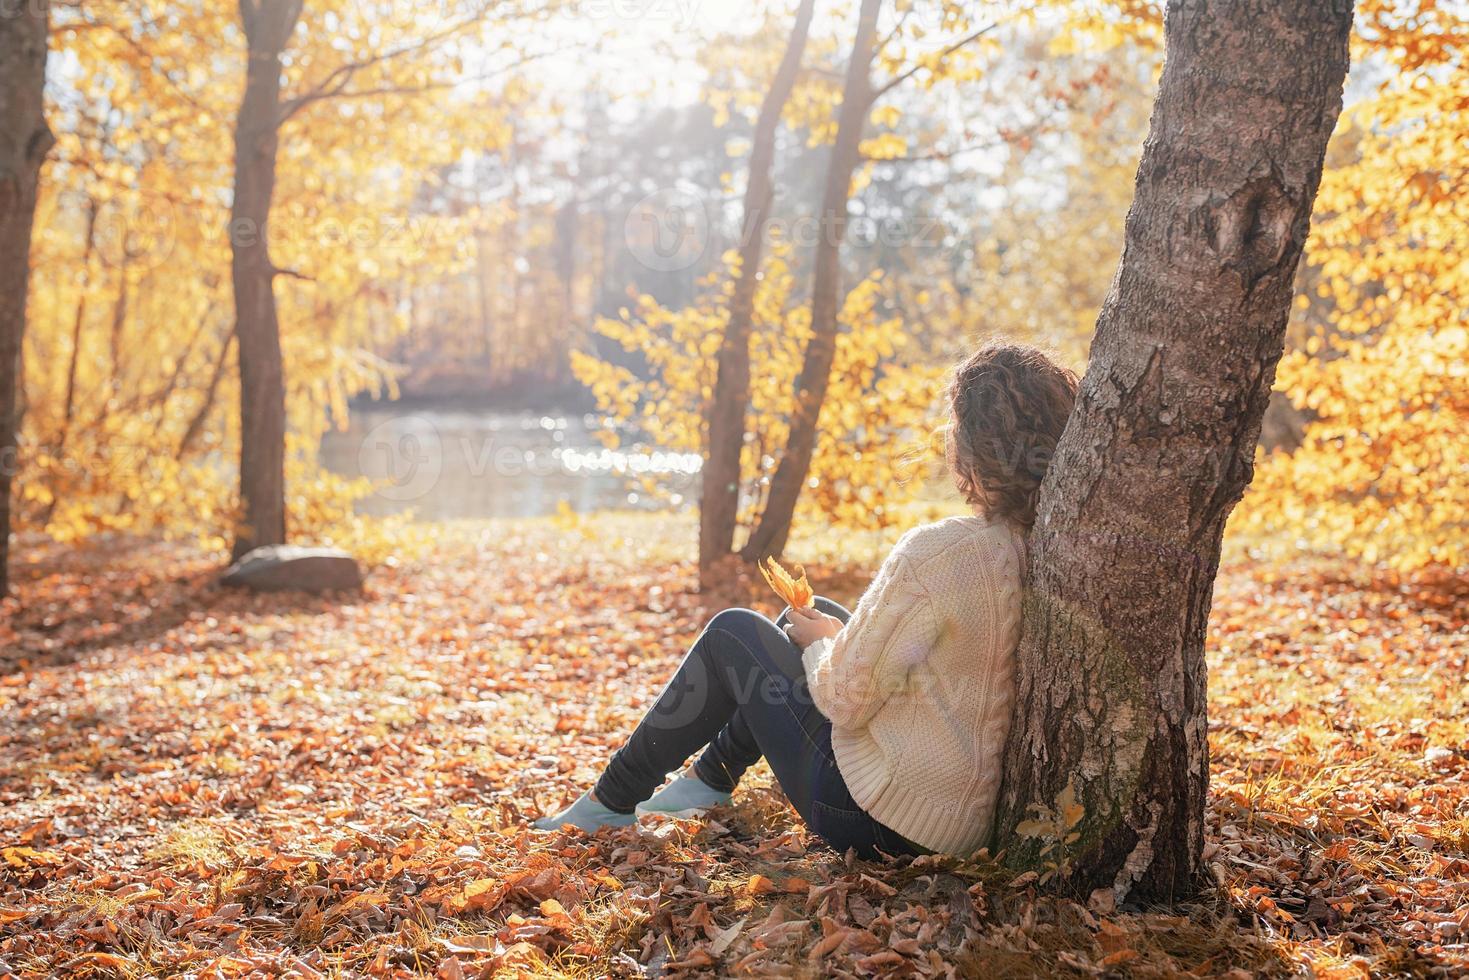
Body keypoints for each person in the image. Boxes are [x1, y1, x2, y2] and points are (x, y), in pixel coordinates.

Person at [532, 342, 1080, 858]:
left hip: (876, 819)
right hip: (957, 821)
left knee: (734, 634)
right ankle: (708, 781)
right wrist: (827, 637)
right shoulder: (1047, 547)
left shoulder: (944, 552)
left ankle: (609, 802)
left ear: (971, 448)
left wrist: (820, 647)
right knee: (821, 620)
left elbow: (844, 698)